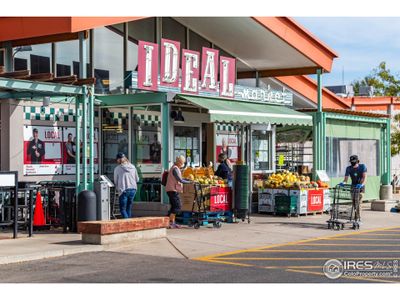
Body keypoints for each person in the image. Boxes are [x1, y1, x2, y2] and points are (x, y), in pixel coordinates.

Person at [165, 155, 191, 229]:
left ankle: (172, 222)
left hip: (172, 189)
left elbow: (179, 178)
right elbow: (180, 180)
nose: (182, 164)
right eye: (182, 163)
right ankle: (169, 222)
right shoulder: (175, 169)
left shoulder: (175, 168)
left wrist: (187, 180)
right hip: (172, 190)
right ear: (179, 162)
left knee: (174, 206)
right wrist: (189, 182)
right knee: (177, 206)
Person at [339, 155, 367, 221]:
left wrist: (361, 184)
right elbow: (346, 179)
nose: (352, 163)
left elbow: (364, 177)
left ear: (357, 161)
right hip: (353, 186)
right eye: (351, 162)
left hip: (360, 187)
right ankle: (355, 216)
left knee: (358, 202)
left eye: (354, 162)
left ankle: (358, 217)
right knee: (354, 202)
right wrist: (343, 183)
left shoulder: (362, 167)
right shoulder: (348, 168)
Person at [113, 152, 139, 219]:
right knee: (128, 208)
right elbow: (137, 179)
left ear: (119, 160)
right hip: (133, 189)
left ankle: (127, 223)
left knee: (123, 209)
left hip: (123, 189)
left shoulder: (117, 168)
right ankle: (129, 224)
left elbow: (115, 181)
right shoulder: (133, 167)